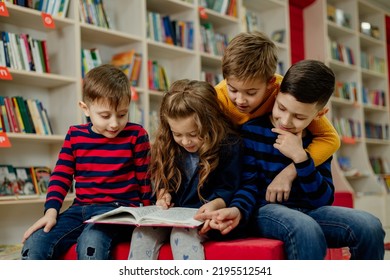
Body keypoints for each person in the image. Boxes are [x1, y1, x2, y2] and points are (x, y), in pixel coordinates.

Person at [196, 60, 385, 260]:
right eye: (281, 108)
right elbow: (247, 185)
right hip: (264, 211)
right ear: (275, 95)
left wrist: (301, 158)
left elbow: (323, 199)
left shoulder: (317, 141)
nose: (285, 121)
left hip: (311, 212)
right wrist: (238, 210)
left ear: (319, 114)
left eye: (299, 117)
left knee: (370, 226)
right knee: (304, 227)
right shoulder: (251, 132)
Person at [21, 64, 152, 260]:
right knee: (35, 241)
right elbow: (61, 176)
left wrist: (150, 213)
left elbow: (146, 178)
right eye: (105, 116)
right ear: (85, 108)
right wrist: (51, 212)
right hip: (79, 209)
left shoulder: (136, 135)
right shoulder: (75, 135)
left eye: (123, 114)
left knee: (91, 241)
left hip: (119, 211)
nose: (115, 123)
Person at [215, 31, 340, 201]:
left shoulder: (286, 93)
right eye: (233, 90)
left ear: (271, 84)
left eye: (251, 92)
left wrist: (291, 171)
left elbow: (330, 138)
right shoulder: (216, 99)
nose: (241, 100)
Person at [128, 79, 242, 260]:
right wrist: (163, 193)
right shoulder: (168, 145)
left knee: (181, 235)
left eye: (194, 134)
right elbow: (163, 181)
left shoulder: (228, 145)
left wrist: (216, 204)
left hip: (208, 217)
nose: (186, 141)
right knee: (142, 233)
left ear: (211, 124)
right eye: (177, 134)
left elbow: (230, 187)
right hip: (173, 215)